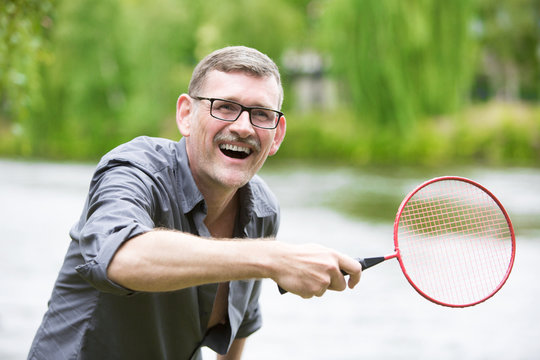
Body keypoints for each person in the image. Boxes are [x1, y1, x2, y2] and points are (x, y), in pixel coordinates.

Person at [28, 46, 362, 360]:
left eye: (261, 114)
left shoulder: (263, 210)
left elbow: (239, 328)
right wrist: (274, 258)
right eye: (225, 107)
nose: (243, 127)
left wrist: (269, 259)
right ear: (186, 114)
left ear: (276, 135)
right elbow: (119, 257)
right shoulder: (133, 170)